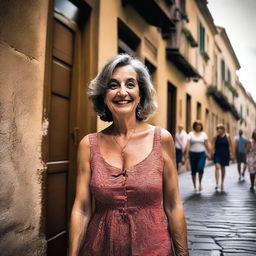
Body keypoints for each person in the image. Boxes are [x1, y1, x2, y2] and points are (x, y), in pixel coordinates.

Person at [69, 54, 188, 256]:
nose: (122, 92)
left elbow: (173, 204)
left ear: (141, 93)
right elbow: (81, 208)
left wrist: (183, 254)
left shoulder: (162, 139)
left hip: (154, 249)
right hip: (100, 248)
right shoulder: (88, 145)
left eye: (130, 84)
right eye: (113, 85)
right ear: (103, 95)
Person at [185, 120, 211, 192]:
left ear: (201, 126)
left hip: (202, 154)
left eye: (199, 125)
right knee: (193, 170)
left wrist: (209, 153)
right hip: (192, 154)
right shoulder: (190, 134)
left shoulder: (204, 134)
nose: (198, 126)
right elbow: (188, 144)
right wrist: (187, 153)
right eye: (197, 125)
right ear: (194, 126)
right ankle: (194, 186)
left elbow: (207, 144)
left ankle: (200, 183)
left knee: (200, 168)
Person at [212, 124, 234, 191]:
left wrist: (231, 154)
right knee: (217, 167)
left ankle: (222, 183)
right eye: (217, 128)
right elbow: (212, 145)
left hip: (225, 154)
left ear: (223, 129)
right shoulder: (215, 137)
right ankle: (216, 183)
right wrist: (211, 153)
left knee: (223, 168)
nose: (218, 130)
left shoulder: (227, 136)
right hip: (217, 154)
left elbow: (231, 145)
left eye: (220, 128)